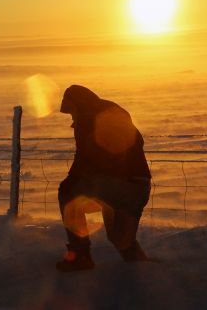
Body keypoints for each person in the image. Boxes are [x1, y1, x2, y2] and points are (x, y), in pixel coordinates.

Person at [57, 85, 151, 272]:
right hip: (139, 184)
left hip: (117, 184)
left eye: (71, 111)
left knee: (68, 195)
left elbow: (87, 156)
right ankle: (145, 274)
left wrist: (72, 180)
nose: (72, 117)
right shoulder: (112, 111)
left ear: (77, 105)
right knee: (121, 239)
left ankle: (80, 256)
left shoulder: (87, 119)